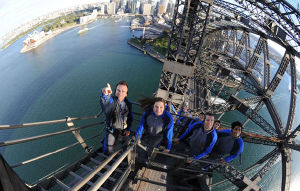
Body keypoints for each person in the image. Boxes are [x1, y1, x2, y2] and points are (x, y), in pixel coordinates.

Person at [100, 81, 133, 154]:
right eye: (118, 90)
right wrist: (104, 94)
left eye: (123, 91)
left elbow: (130, 117)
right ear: (115, 91)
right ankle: (107, 157)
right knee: (108, 149)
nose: (120, 93)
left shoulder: (128, 104)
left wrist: (128, 129)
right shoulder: (112, 100)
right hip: (111, 130)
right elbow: (105, 104)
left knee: (125, 144)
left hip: (123, 130)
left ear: (126, 94)